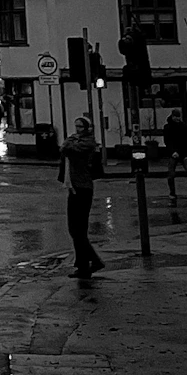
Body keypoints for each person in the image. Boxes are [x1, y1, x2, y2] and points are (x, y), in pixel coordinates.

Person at [58, 114, 105, 279]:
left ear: (86, 129)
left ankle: (89, 263)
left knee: (78, 229)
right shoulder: (75, 140)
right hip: (72, 187)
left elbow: (68, 148)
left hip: (82, 187)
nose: (77, 130)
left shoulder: (88, 143)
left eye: (80, 127)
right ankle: (84, 263)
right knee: (74, 229)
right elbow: (64, 147)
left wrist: (71, 141)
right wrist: (70, 140)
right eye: (76, 126)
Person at [161, 106, 187, 208]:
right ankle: (172, 193)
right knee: (171, 174)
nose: (177, 119)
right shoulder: (168, 127)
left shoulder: (183, 127)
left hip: (183, 153)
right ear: (172, 116)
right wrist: (173, 152)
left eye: (178, 117)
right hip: (174, 153)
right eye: (176, 117)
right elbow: (167, 141)